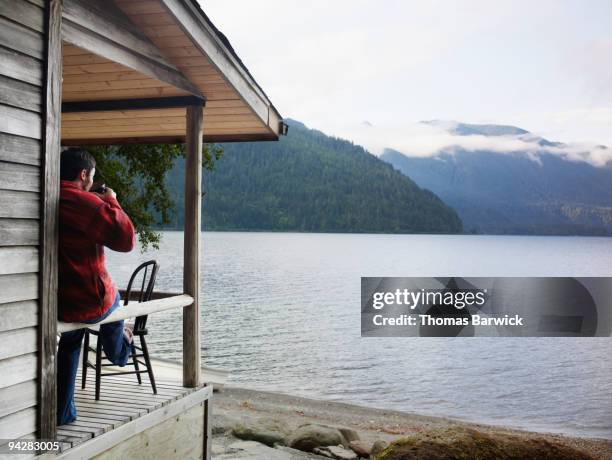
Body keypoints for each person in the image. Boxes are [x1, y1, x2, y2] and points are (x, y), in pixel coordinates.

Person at [57, 147, 136, 426]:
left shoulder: (50, 196)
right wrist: (111, 201)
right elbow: (126, 240)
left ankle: (63, 413)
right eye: (90, 176)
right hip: (90, 301)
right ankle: (124, 349)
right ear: (83, 174)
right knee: (114, 304)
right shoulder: (88, 205)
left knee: (70, 345)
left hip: (60, 303)